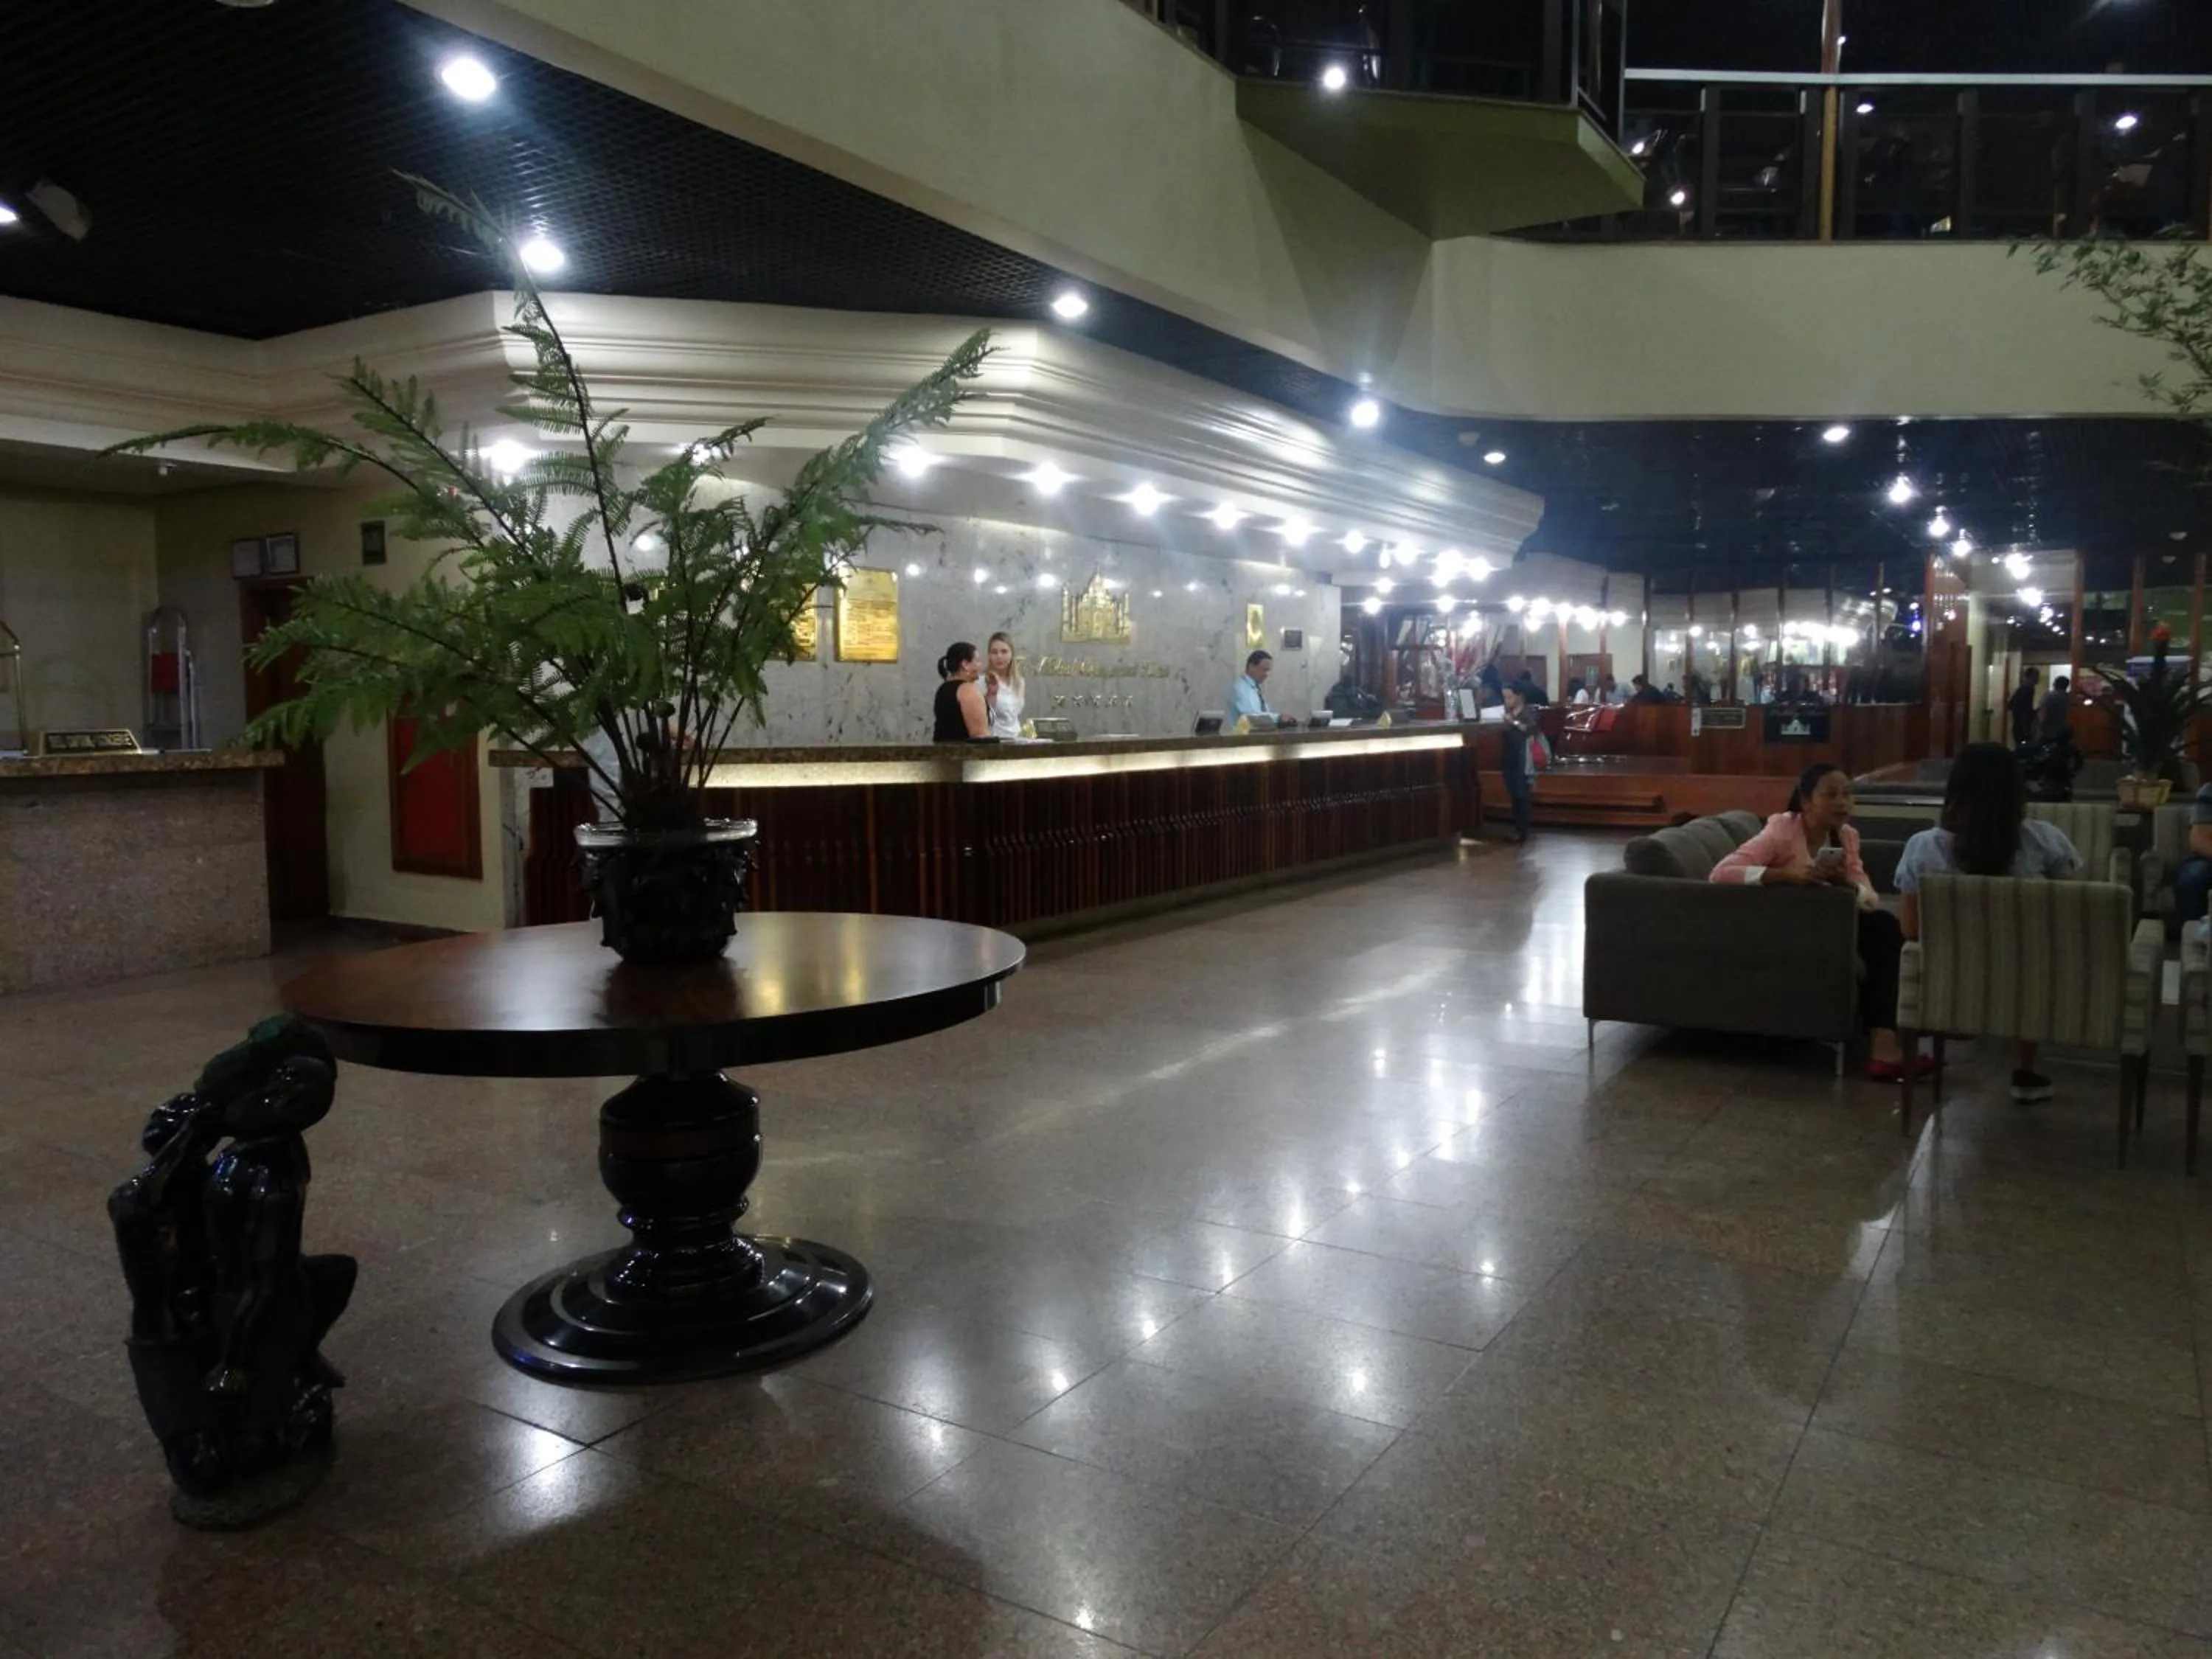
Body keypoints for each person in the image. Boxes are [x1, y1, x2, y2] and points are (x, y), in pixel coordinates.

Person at [1893, 742, 2083, 1102]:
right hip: (2030, 979)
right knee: (2036, 958)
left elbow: (1911, 929)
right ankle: (2026, 1069)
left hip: (1952, 980)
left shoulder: (1923, 848)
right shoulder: (2045, 842)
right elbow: (2067, 917)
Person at [1711, 762, 1922, 1081]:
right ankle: (1885, 1043)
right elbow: (1721, 873)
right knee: (1884, 931)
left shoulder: (1846, 836)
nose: (1842, 802)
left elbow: (1869, 897)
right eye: (1831, 794)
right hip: (1784, 923)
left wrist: (1845, 883)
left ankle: (1886, 1040)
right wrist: (1785, 874)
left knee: (1884, 927)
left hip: (1828, 921)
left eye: (1848, 795)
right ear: (1807, 801)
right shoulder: (1782, 830)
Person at [1498, 685, 1540, 844]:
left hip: (1523, 757)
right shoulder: (1506, 713)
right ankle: (1517, 828)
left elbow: (1531, 729)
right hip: (1509, 756)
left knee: (1522, 793)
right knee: (1513, 794)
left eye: (1509, 697)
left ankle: (1523, 831)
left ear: (1519, 697)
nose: (1507, 701)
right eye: (1505, 697)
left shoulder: (1529, 711)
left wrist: (1513, 722)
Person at [932, 641, 992, 742]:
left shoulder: (943, 689)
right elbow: (980, 736)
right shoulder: (968, 690)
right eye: (977, 661)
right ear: (965, 665)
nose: (980, 665)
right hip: (964, 755)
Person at [1228, 650, 1295, 730]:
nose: (1267, 675)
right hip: (1242, 739)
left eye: (1268, 671)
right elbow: (1252, 717)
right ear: (1251, 666)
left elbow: (1262, 714)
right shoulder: (1241, 688)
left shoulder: (1254, 688)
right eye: (1264, 670)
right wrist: (1279, 718)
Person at [2178, 780, 2212, 924]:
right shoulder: (2209, 791)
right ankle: (2196, 937)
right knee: (2193, 876)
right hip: (2208, 859)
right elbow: (2200, 841)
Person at [984, 631, 1024, 740]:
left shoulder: (1019, 682)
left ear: (1012, 654)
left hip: (1017, 741)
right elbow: (984, 718)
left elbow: (1014, 717)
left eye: (1004, 651)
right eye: (994, 652)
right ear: (989, 655)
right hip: (995, 741)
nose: (999, 656)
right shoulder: (983, 681)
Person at [2008, 667, 2041, 748]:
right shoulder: (2028, 688)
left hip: (2020, 723)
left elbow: (2011, 705)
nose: (2038, 679)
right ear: (2032, 676)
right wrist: (2033, 713)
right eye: (2037, 676)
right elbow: (2023, 707)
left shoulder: (2023, 687)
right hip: (2023, 724)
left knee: (2020, 745)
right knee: (2024, 746)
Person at [2038, 673, 2073, 744]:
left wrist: (2041, 725)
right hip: (2063, 729)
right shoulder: (2068, 697)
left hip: (2049, 729)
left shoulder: (2049, 696)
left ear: (2055, 684)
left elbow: (2043, 712)